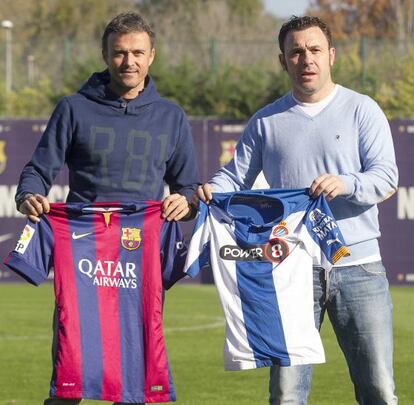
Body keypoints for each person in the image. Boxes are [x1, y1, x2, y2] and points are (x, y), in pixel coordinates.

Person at [197, 15, 398, 405]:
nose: (306, 59)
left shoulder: (363, 110)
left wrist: (347, 182)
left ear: (331, 56)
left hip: (358, 268)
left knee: (379, 388)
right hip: (290, 271)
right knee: (286, 394)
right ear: (283, 61)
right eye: (296, 52)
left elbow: (386, 177)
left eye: (315, 50)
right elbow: (234, 177)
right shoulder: (266, 121)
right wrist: (211, 190)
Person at [14, 12, 199, 405]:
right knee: (70, 375)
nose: (128, 62)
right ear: (104, 54)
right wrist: (28, 196)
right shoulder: (73, 108)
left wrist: (185, 202)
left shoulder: (171, 117)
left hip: (138, 257)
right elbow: (36, 170)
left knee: (135, 383)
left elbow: (189, 189)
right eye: (119, 53)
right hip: (83, 257)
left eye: (137, 52)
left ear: (152, 56)